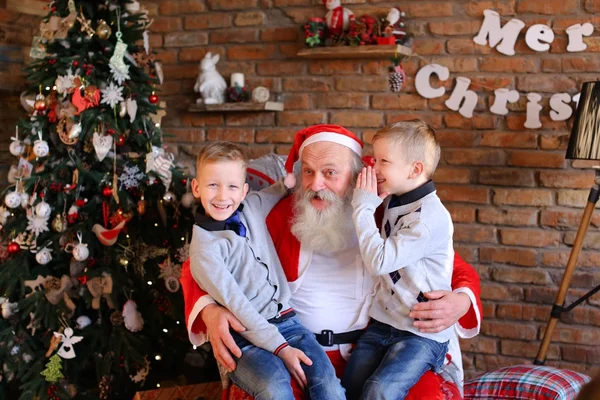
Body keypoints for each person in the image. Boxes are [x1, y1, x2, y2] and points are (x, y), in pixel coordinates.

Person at [180, 124, 482, 400]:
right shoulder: (278, 214)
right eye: (308, 172)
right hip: (295, 352)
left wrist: (461, 301)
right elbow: (206, 254)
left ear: (356, 176)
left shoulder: (383, 215)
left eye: (330, 173)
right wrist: (209, 309)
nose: (316, 184)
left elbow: (449, 266)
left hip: (375, 352)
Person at [188, 141, 345, 400]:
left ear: (244, 191)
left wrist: (294, 176)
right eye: (212, 184)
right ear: (196, 187)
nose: (222, 196)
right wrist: (281, 348)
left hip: (289, 321)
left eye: (232, 186)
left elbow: (279, 189)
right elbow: (240, 308)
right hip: (244, 336)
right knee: (275, 387)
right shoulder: (205, 251)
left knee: (329, 386)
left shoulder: (251, 207)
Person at [342, 120, 454, 399]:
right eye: (374, 158)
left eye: (384, 161)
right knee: (351, 384)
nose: (374, 167)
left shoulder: (427, 219)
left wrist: (363, 208)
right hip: (385, 322)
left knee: (379, 391)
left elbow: (379, 261)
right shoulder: (398, 197)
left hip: (420, 333)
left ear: (415, 169)